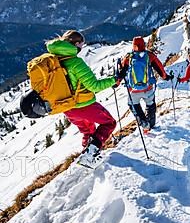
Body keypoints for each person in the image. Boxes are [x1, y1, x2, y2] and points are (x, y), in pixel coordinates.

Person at [46, 30, 119, 165]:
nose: (81, 48)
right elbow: (94, 86)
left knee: (88, 131)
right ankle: (90, 154)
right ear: (77, 44)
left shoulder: (53, 60)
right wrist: (114, 80)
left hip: (67, 108)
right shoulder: (75, 62)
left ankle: (87, 155)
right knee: (109, 123)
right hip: (84, 105)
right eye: (81, 45)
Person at [116, 36, 173, 131]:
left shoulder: (128, 57)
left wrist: (116, 84)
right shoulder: (150, 56)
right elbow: (160, 70)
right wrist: (166, 77)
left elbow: (121, 74)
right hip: (148, 88)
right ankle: (151, 124)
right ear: (144, 44)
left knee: (133, 105)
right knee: (150, 105)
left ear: (133, 46)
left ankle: (143, 122)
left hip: (133, 90)